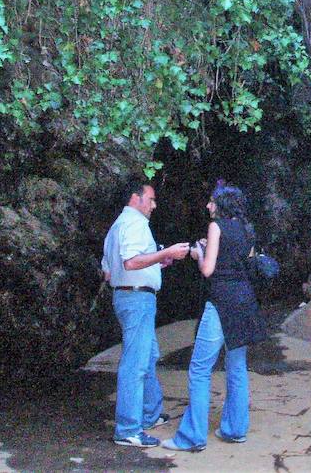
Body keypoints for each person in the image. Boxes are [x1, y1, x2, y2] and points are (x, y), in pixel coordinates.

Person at [162, 181, 267, 452]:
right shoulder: (247, 228)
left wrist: (199, 253)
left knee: (199, 369)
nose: (208, 205)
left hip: (221, 303)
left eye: (211, 201)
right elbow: (241, 262)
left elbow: (208, 270)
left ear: (221, 204)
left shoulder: (216, 226)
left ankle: (193, 437)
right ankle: (235, 429)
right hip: (244, 301)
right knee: (237, 366)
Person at [101, 179, 191, 448]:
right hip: (136, 298)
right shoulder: (135, 223)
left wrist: (156, 263)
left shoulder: (117, 226)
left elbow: (110, 270)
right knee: (136, 364)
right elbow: (130, 261)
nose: (154, 205)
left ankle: (150, 415)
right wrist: (167, 252)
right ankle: (128, 428)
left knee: (148, 356)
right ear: (135, 198)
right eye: (150, 199)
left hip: (128, 295)